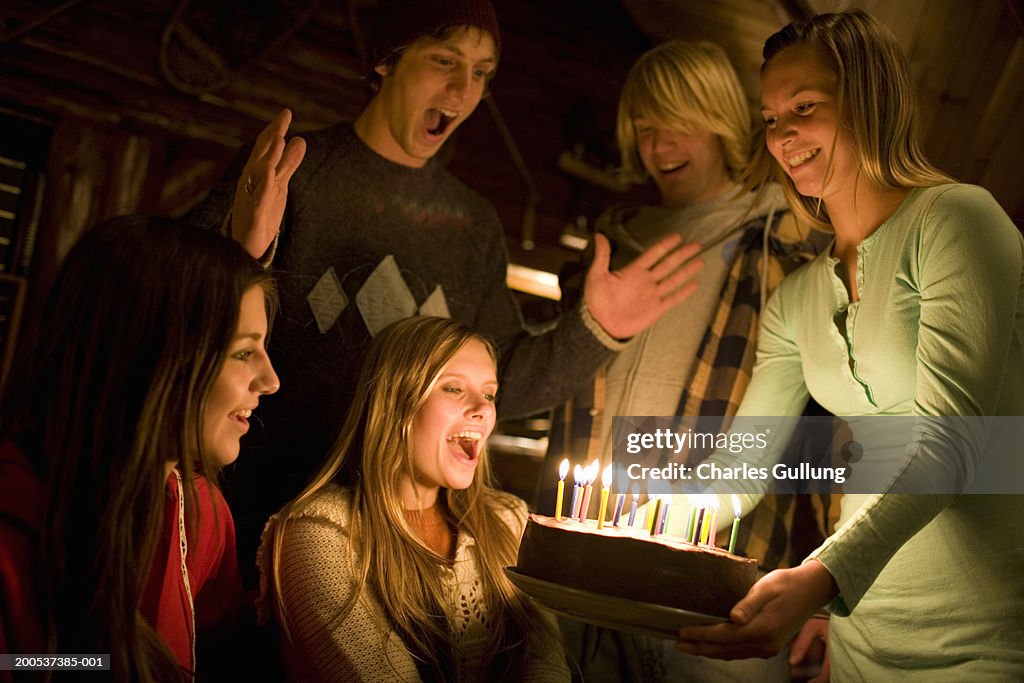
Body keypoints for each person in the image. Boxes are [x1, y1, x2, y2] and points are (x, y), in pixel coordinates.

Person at [187, 0, 704, 574]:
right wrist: (239, 254)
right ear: (387, 61)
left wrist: (599, 332)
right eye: (444, 60)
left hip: (397, 545)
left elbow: (503, 377)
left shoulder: (472, 223)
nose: (464, 88)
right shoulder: (294, 173)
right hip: (254, 517)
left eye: (482, 73)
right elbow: (174, 321)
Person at [675, 10, 1024, 680]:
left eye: (804, 106)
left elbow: (953, 442)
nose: (783, 135)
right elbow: (741, 469)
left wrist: (820, 575)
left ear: (871, 99)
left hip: (991, 635)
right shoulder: (798, 298)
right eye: (771, 117)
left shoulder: (958, 220)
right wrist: (636, 524)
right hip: (863, 633)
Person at [535, 39, 832, 682]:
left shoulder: (785, 237)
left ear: (724, 119)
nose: (658, 144)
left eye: (678, 120)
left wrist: (841, 593)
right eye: (643, 127)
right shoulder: (614, 240)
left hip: (716, 586)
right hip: (586, 571)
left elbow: (838, 424)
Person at [0, 216, 280, 681]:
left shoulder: (204, 515)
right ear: (155, 358)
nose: (270, 381)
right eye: (243, 352)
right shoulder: (14, 522)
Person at [258, 316, 570, 681]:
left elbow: (547, 660)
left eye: (489, 394)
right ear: (394, 402)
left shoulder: (510, 520)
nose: (483, 409)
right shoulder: (319, 533)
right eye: (454, 389)